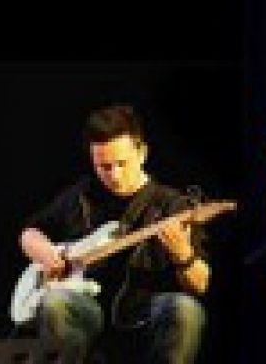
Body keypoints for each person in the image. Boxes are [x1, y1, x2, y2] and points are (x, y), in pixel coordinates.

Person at [19, 104, 209, 364]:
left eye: (122, 163)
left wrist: (183, 254)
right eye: (104, 167)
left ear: (142, 153)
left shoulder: (172, 205)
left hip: (142, 315)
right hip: (85, 309)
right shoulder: (83, 195)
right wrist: (47, 254)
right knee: (55, 302)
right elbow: (30, 233)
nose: (115, 175)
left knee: (186, 310)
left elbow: (200, 284)